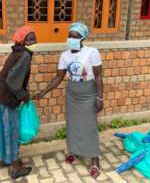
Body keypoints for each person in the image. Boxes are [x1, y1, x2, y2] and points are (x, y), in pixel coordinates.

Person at [33, 22, 103, 179]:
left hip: (88, 92)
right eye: (70, 36)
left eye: (76, 37)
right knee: (73, 124)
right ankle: (75, 151)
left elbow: (98, 76)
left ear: (83, 38)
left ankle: (95, 160)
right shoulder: (65, 55)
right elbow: (59, 77)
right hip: (72, 93)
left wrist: (100, 97)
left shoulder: (92, 52)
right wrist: (43, 92)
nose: (71, 39)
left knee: (89, 126)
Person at [0, 26, 37, 179]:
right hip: (4, 98)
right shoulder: (25, 55)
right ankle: (15, 167)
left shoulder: (18, 52)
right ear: (22, 41)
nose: (33, 42)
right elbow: (13, 82)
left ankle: (5, 158)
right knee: (11, 130)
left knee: (2, 128)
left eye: (34, 38)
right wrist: (24, 96)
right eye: (30, 39)